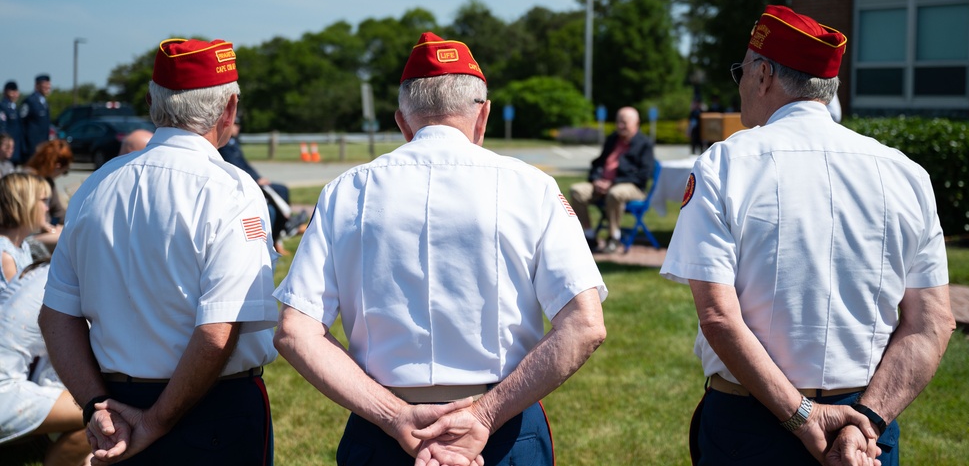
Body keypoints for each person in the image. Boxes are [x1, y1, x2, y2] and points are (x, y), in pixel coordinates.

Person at [273, 31, 607, 466]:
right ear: (482, 115)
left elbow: (295, 331)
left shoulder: (346, 191)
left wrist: (395, 416)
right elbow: (585, 324)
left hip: (384, 429)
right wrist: (484, 416)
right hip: (502, 426)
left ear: (402, 121)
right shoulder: (532, 187)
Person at [661, 5, 955, 465]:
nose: (739, 84)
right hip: (866, 426)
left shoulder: (726, 163)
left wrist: (804, 417)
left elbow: (718, 315)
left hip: (752, 420)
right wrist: (868, 422)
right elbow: (931, 322)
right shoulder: (905, 172)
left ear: (762, 75)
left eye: (741, 70)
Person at [40, 37, 279, 465]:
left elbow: (56, 314)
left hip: (115, 405)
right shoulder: (231, 188)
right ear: (230, 109)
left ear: (153, 102)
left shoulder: (96, 185)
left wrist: (98, 407)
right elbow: (218, 330)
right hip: (213, 409)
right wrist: (154, 421)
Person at [0, 261, 92, 466]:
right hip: (3, 394)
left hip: (10, 383)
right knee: (105, 410)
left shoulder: (49, 270)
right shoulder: (74, 281)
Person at [218, 113, 308, 256]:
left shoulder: (234, 143)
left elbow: (245, 165)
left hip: (251, 179)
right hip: (244, 182)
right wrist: (255, 179)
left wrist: (259, 177)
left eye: (238, 125)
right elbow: (235, 167)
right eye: (235, 124)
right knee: (275, 196)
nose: (237, 128)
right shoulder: (224, 145)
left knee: (281, 190)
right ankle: (288, 224)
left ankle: (286, 225)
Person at [569, 106, 655, 252]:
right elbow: (598, 163)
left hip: (630, 187)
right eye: (618, 122)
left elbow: (643, 174)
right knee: (576, 190)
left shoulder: (644, 144)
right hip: (602, 184)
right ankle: (589, 236)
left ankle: (614, 237)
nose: (620, 126)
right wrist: (596, 179)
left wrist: (613, 183)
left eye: (624, 122)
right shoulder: (612, 139)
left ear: (636, 123)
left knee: (615, 193)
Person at [0, 172, 51, 291]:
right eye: (44, 201)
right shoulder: (5, 256)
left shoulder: (21, 245)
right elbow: (13, 306)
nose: (47, 208)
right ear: (25, 204)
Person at [24, 139, 74, 228]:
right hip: (29, 233)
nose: (62, 175)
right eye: (64, 172)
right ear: (57, 166)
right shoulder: (26, 181)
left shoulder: (48, 181)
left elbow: (59, 213)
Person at [21, 74, 52, 161]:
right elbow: (22, 123)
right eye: (44, 85)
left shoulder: (44, 103)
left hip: (43, 145)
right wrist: (26, 146)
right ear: (37, 85)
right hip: (32, 147)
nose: (47, 87)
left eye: (48, 84)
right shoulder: (30, 101)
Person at [0, 81, 24, 164]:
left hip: (15, 149)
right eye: (12, 91)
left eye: (16, 91)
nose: (14, 94)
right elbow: (2, 128)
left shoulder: (14, 108)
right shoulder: (3, 107)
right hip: (7, 149)